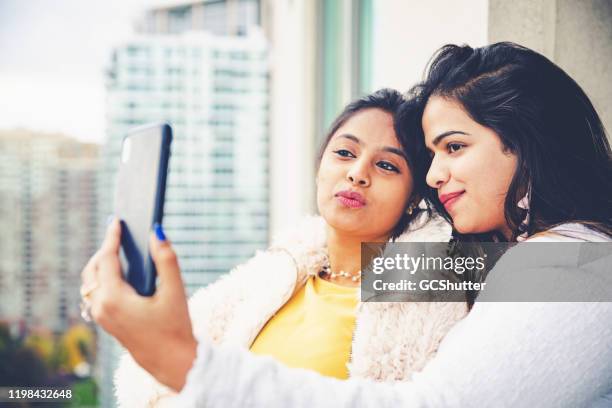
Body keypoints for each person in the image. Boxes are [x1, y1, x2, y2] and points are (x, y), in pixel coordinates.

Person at [82, 42, 612, 407]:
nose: (436, 173)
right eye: (343, 152)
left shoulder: (568, 265)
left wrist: (182, 360)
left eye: (454, 147)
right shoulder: (275, 272)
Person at [81, 89, 467, 407]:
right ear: (320, 167)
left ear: (414, 196)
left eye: (387, 166)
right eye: (345, 153)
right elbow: (152, 380)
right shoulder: (271, 276)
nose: (357, 173)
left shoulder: (434, 296)